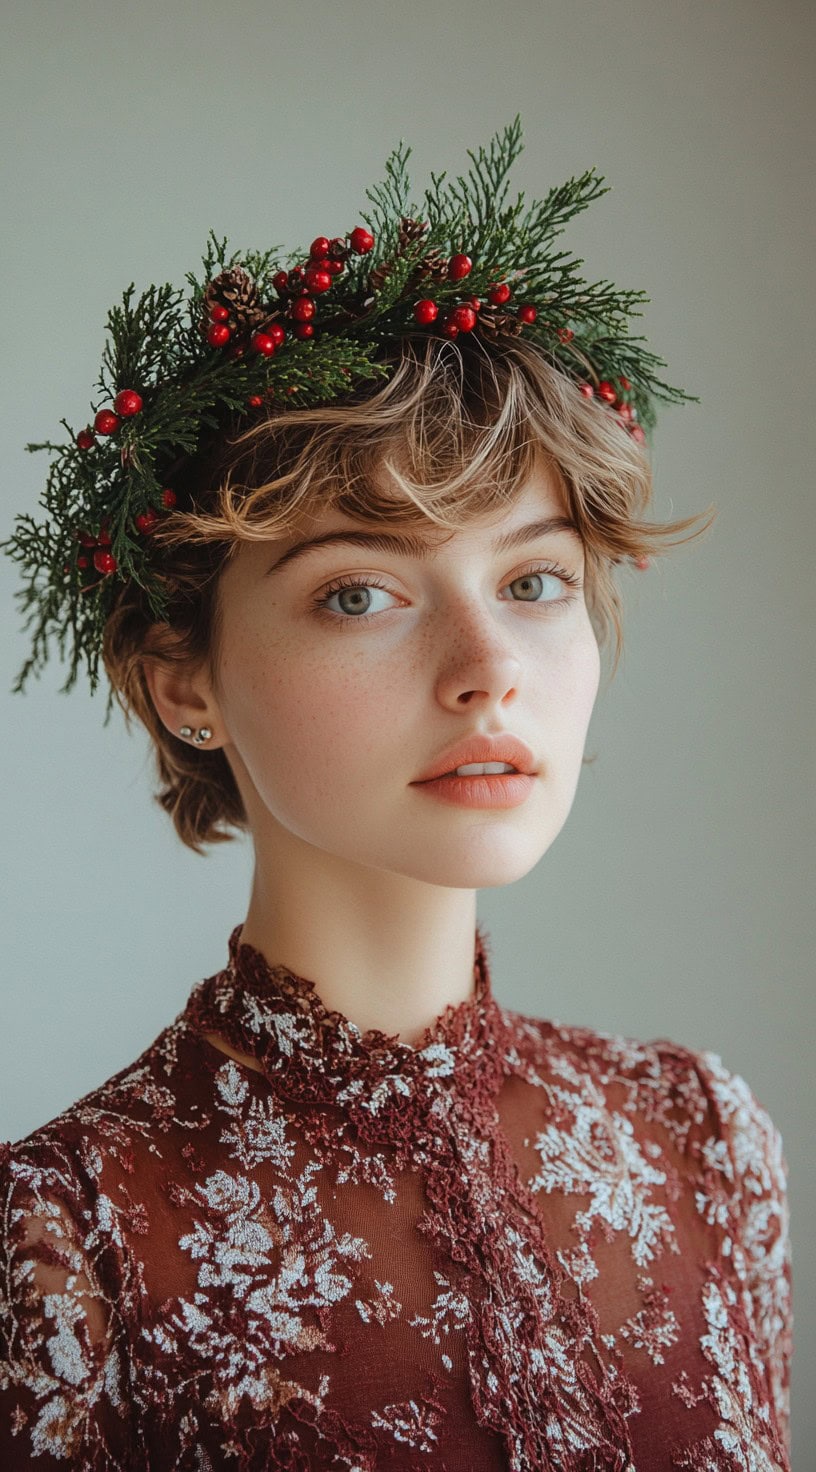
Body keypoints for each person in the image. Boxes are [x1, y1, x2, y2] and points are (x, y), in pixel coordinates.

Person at [0, 121, 792, 1470]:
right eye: (359, 592)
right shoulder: (65, 1241)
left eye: (534, 581)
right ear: (181, 680)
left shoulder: (704, 1139)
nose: (490, 673)